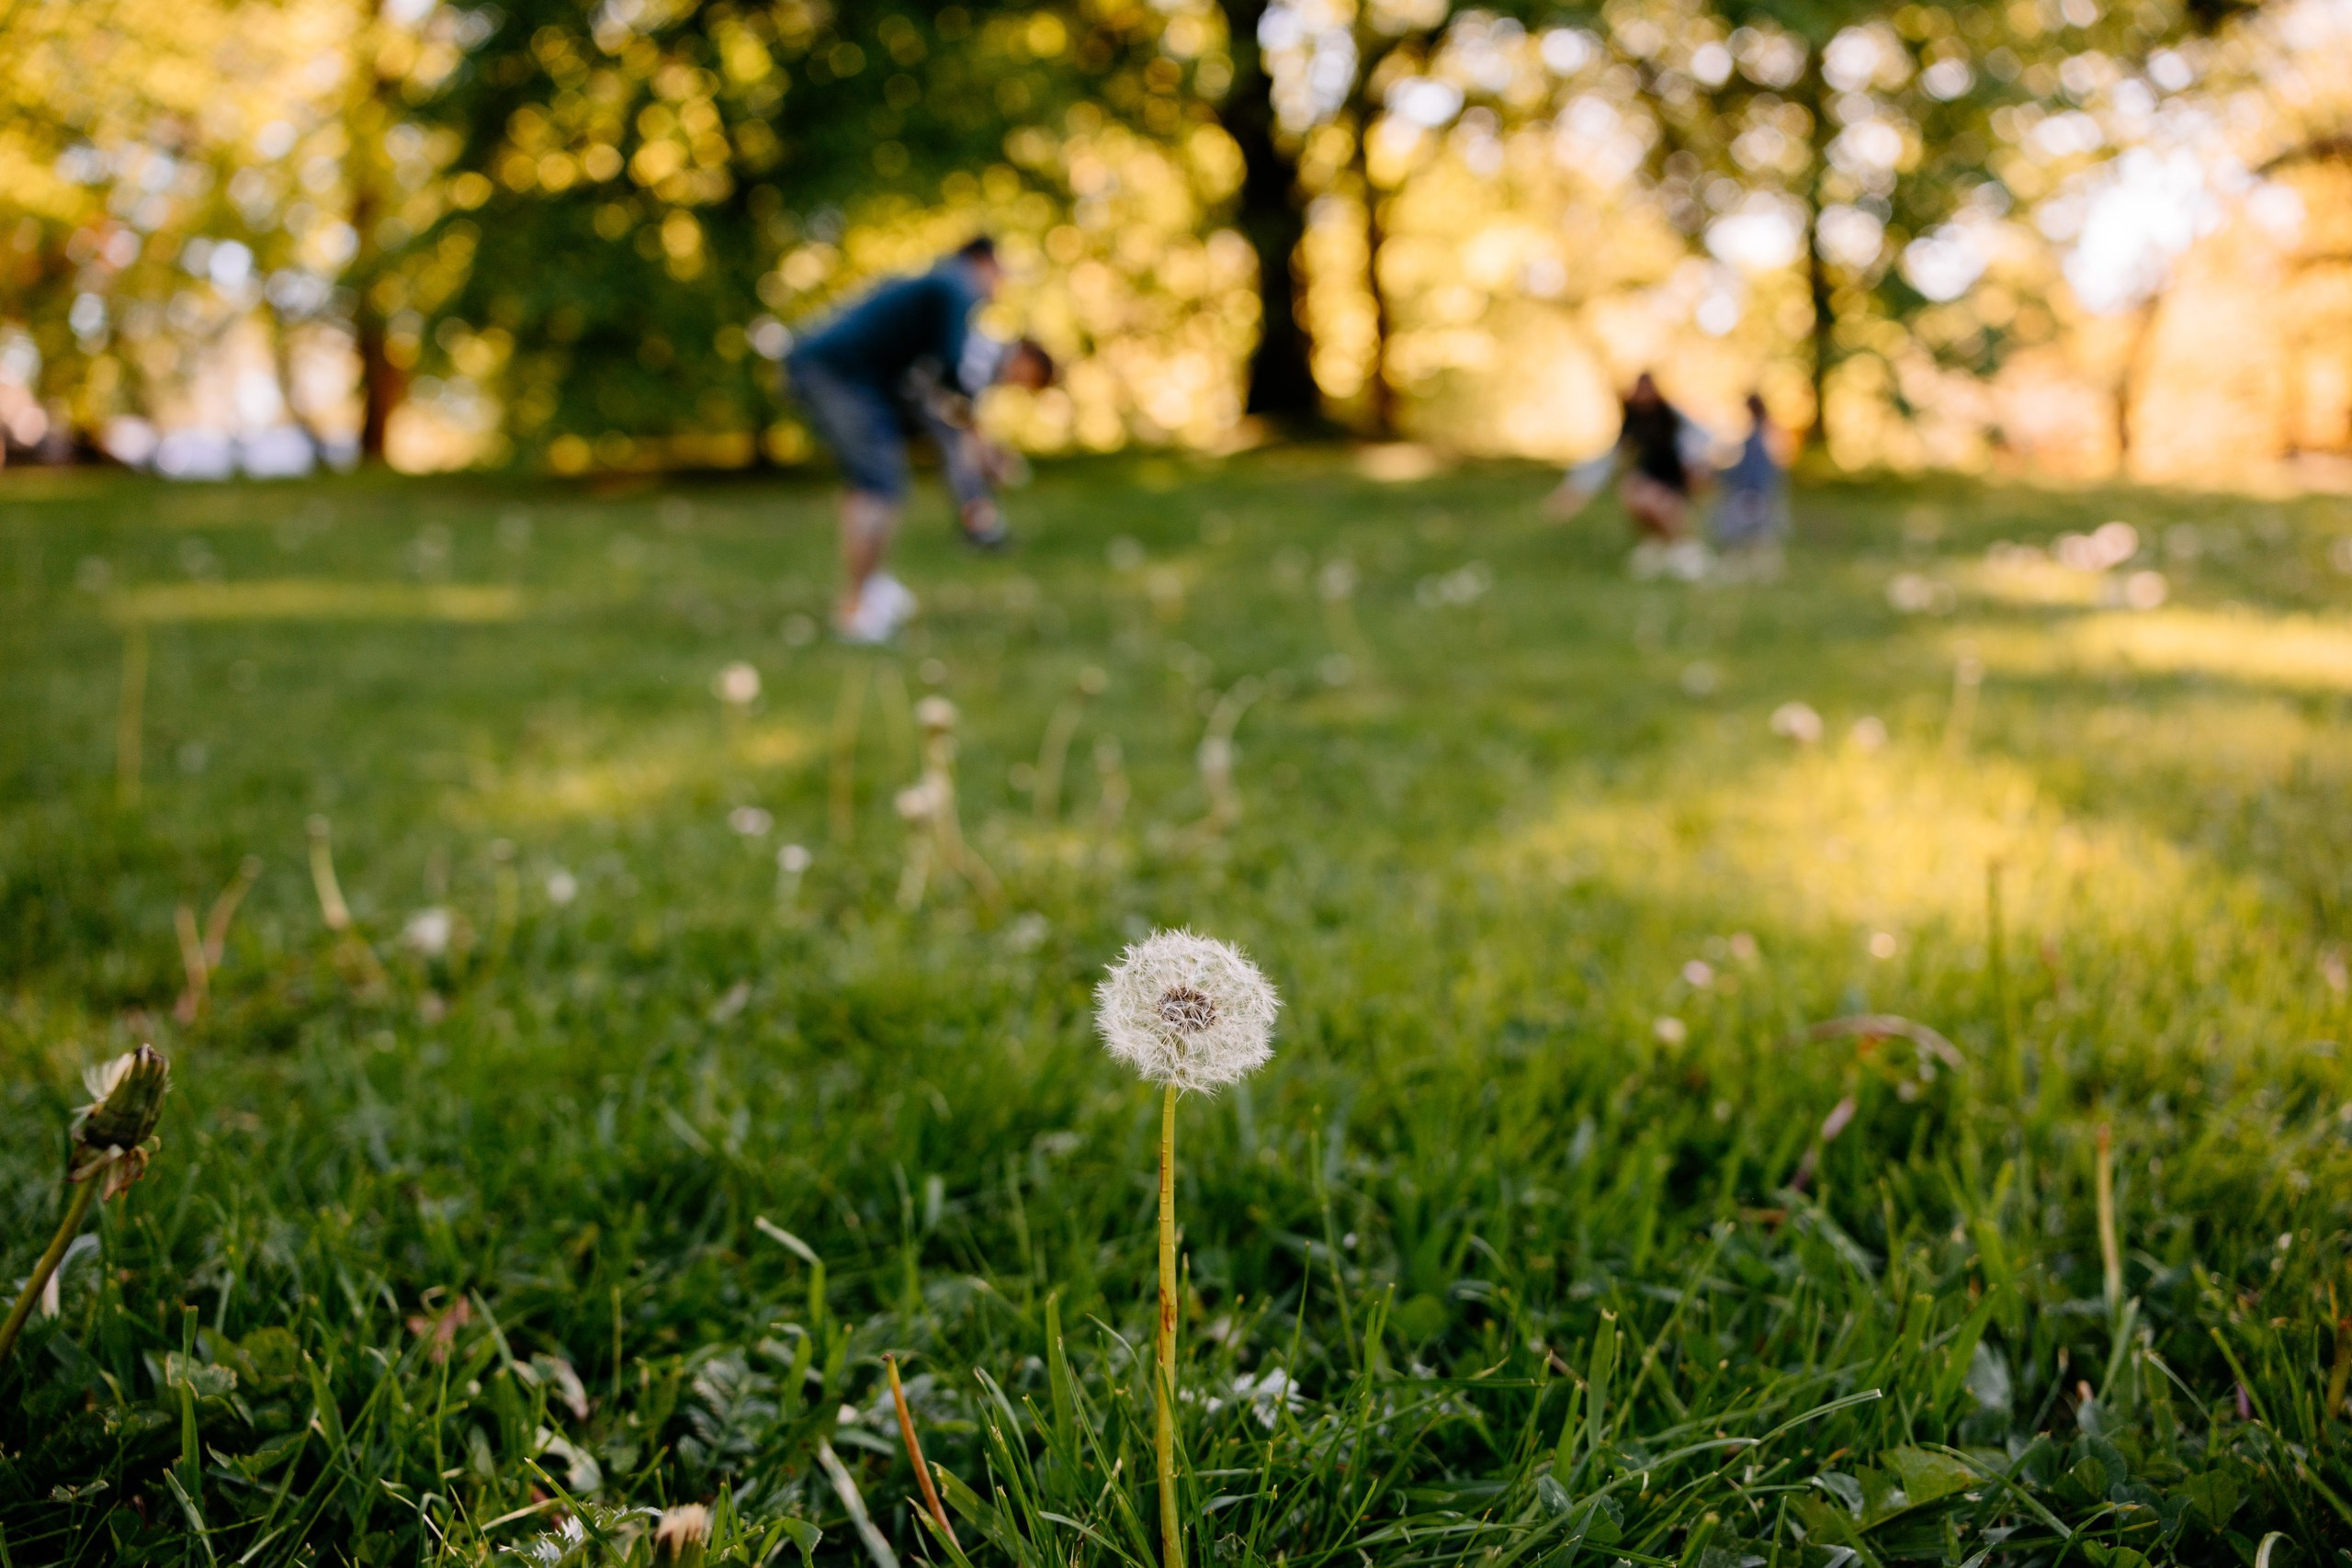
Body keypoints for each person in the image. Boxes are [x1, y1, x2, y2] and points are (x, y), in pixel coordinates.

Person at [785, 237, 1055, 644]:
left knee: (880, 481)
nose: (1001, 286)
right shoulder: (957, 286)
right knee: (878, 484)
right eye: (1000, 273)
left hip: (853, 378)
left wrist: (975, 439)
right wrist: (978, 442)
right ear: (981, 261)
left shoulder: (942, 285)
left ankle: (872, 586)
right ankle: (856, 610)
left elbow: (936, 379)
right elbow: (949, 367)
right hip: (837, 374)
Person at [1543, 371, 1702, 541]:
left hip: (1675, 482)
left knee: (1658, 502)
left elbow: (1698, 441)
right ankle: (1659, 542)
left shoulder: (1671, 417)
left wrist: (1696, 466)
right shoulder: (1633, 423)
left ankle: (1680, 541)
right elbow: (1609, 459)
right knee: (1633, 489)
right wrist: (1575, 489)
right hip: (1648, 481)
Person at [1713, 392, 1787, 553]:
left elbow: (1759, 469)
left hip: (1756, 494)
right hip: (1755, 492)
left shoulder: (1761, 436)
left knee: (1731, 521)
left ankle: (1736, 556)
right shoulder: (1760, 433)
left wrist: (1756, 491)